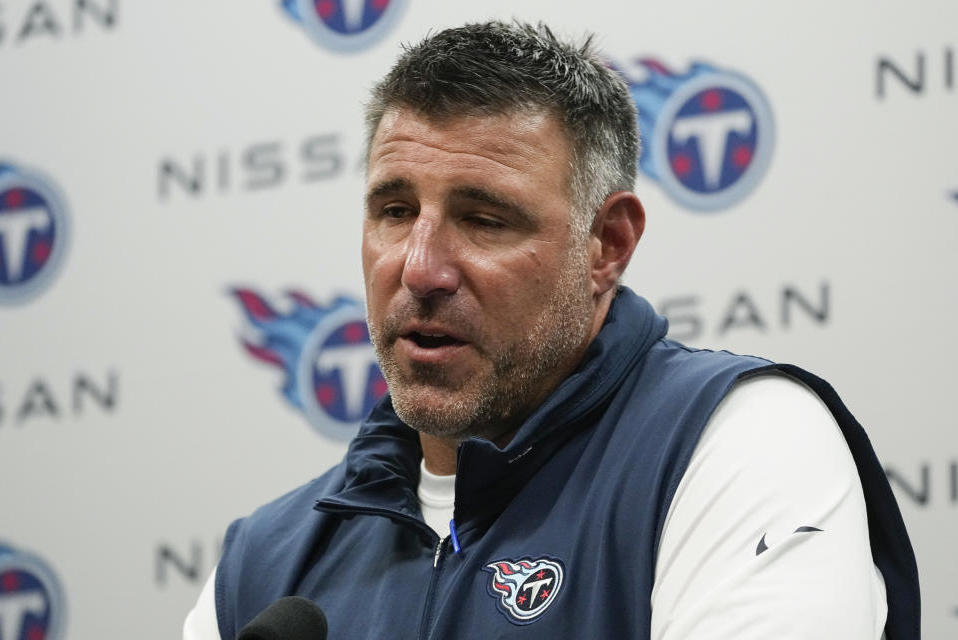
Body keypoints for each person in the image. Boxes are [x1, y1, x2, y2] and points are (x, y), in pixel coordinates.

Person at [184, 21, 919, 639]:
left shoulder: (735, 441)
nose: (420, 268)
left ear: (607, 245)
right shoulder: (265, 562)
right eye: (396, 210)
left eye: (483, 219)